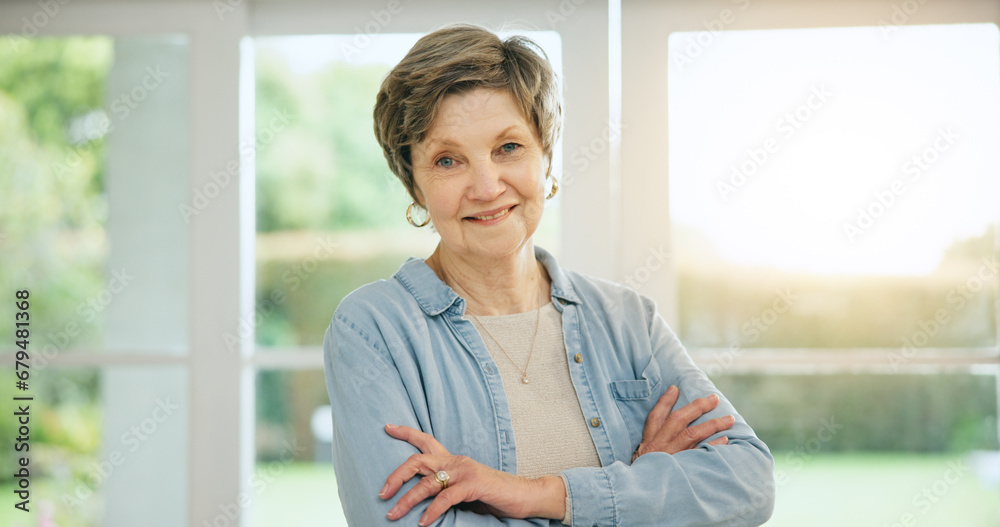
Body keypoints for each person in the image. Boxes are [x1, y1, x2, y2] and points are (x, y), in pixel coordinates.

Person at [323, 23, 775, 526]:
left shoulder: (627, 320)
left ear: (546, 157)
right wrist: (640, 488)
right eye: (447, 160)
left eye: (508, 148)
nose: (486, 185)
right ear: (415, 186)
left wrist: (533, 494)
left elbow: (747, 484)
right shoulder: (373, 329)